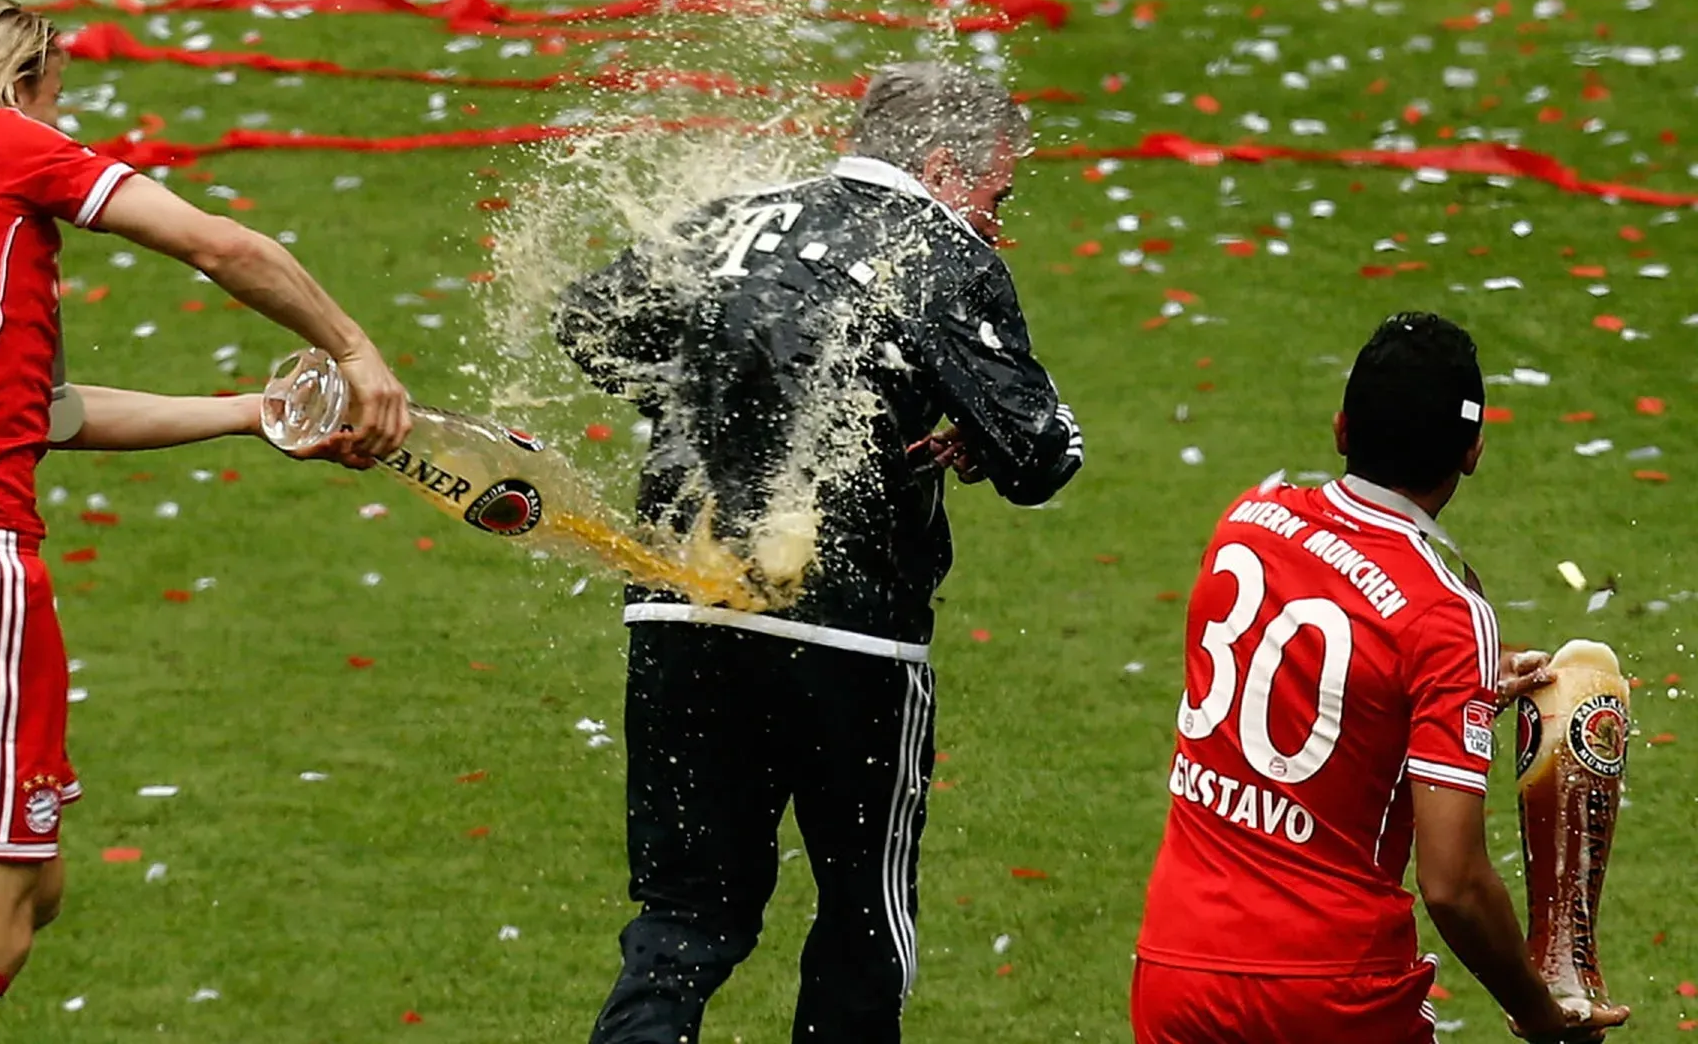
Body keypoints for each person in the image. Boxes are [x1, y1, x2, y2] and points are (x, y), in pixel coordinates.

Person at [0, 0, 412, 1044]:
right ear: (17, 85)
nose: (66, 119)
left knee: (27, 888)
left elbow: (46, 412)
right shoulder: (9, 145)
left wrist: (247, 413)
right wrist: (354, 347)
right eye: (59, 95)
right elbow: (218, 246)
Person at [556, 62, 1084, 1044]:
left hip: (679, 608)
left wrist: (711, 403)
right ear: (941, 164)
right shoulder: (939, 249)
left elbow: (586, 323)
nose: (997, 219)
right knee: (860, 919)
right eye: (997, 194)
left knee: (682, 920)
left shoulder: (734, 217)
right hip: (850, 637)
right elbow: (1040, 455)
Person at [1129, 313, 1630, 1043]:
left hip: (1178, 973)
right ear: (1472, 452)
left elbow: (1302, 685)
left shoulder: (1248, 522)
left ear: (1340, 427)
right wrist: (1540, 1013)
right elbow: (1452, 885)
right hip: (1332, 997)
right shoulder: (1446, 616)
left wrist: (1456, 689)